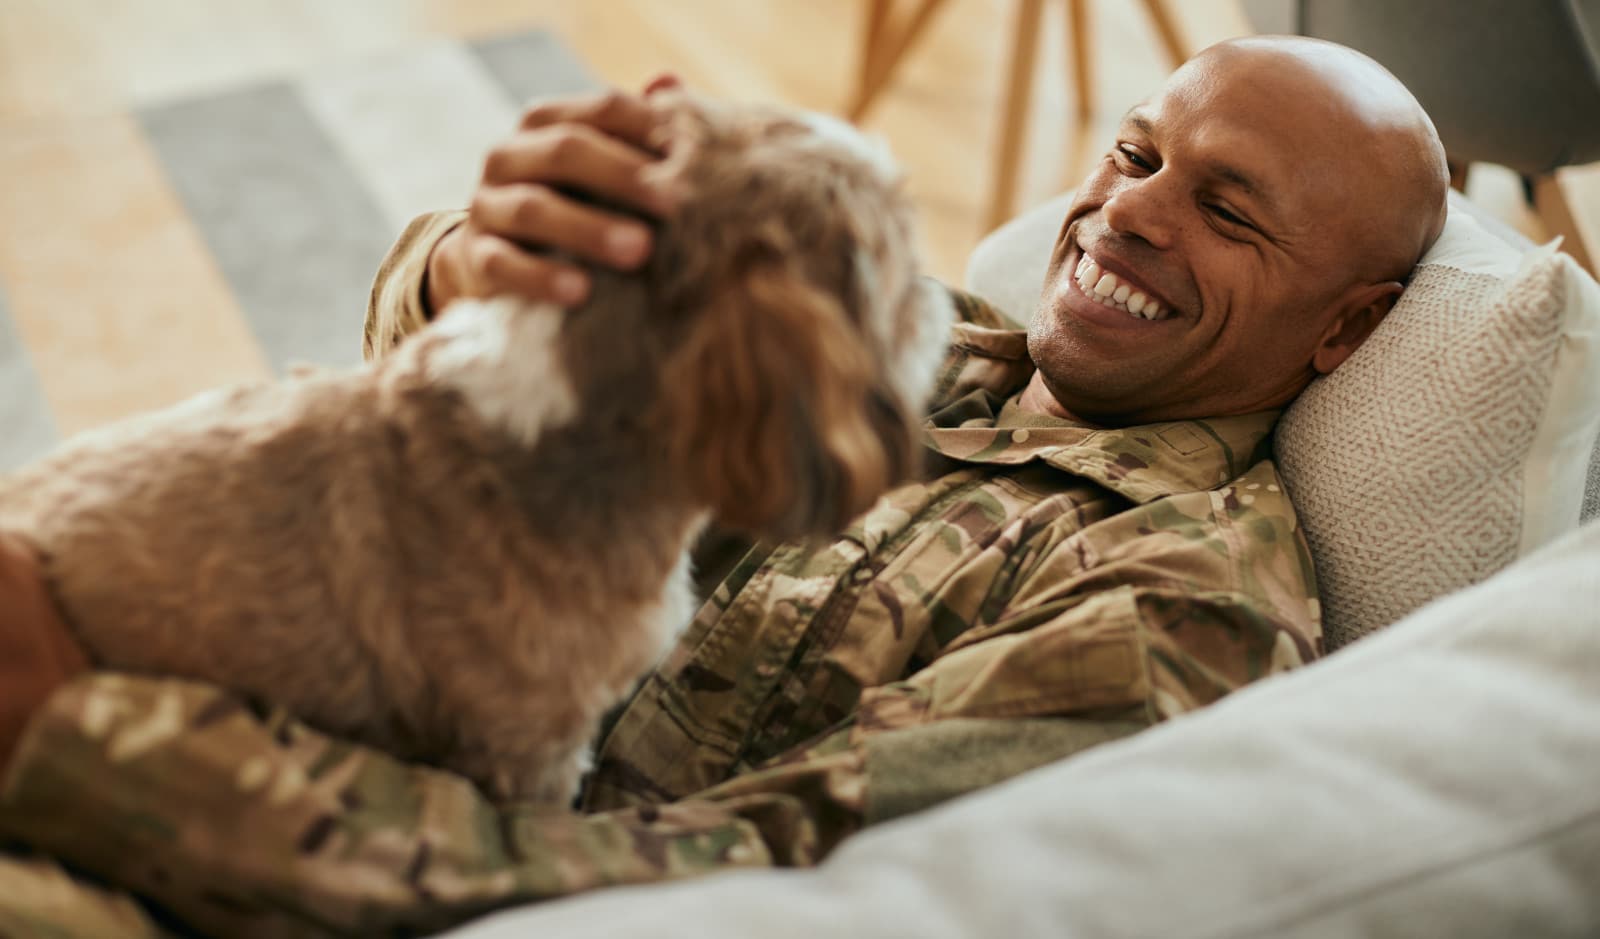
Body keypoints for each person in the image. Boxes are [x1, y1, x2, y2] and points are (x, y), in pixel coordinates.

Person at [0, 35, 1448, 936]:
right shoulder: (927, 347)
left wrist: (86, 729)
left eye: (1225, 207)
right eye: (1136, 153)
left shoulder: (1165, 603)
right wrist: (477, 266)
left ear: (1347, 326)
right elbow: (455, 449)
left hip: (270, 849)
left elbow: (744, 890)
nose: (1125, 211)